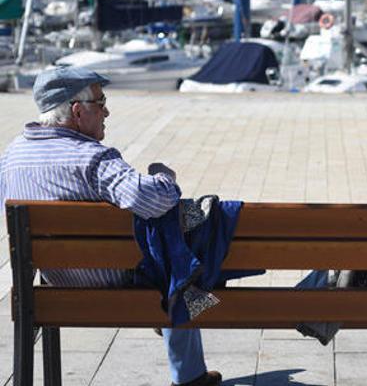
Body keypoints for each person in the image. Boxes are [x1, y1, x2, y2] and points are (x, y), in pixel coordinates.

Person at [0, 68, 221, 386]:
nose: (107, 111)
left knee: (179, 255)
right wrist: (164, 177)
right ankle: (298, 303)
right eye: (100, 102)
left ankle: (192, 366)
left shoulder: (11, 157)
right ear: (77, 111)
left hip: (52, 286)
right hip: (120, 282)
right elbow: (153, 200)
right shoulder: (93, 158)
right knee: (190, 253)